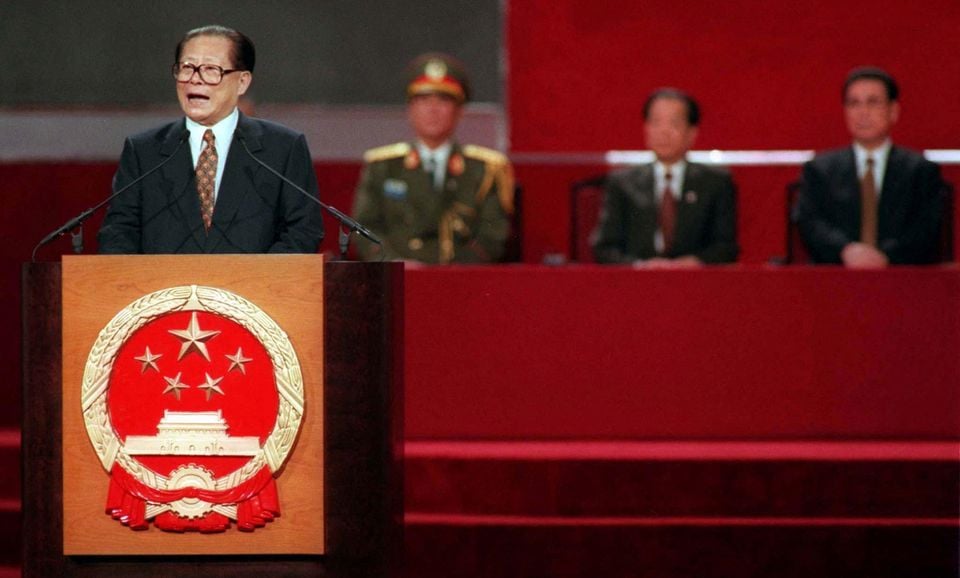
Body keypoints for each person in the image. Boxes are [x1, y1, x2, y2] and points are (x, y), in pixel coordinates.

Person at [98, 25, 323, 254]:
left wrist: (254, 281)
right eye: (187, 67)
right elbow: (118, 232)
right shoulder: (144, 151)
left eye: (210, 69)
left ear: (242, 82)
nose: (195, 79)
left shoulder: (283, 148)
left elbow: (303, 231)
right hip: (166, 289)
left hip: (254, 287)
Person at [352, 53, 514, 263]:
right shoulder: (383, 166)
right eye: (424, 100)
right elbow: (364, 229)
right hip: (396, 281)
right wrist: (394, 264)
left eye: (443, 100)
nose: (433, 109)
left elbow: (492, 237)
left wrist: (446, 276)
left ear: (459, 111)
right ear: (410, 109)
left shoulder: (485, 170)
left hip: (459, 283)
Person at [793, 67, 944, 267]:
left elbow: (926, 230)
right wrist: (847, 250)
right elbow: (811, 223)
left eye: (873, 102)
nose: (863, 112)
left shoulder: (920, 171)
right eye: (854, 103)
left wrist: (885, 256)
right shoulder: (819, 170)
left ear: (893, 111)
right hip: (835, 279)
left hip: (904, 280)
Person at [591, 88, 738, 267]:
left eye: (674, 124)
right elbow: (604, 248)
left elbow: (726, 247)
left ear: (692, 133)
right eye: (656, 122)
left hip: (695, 285)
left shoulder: (715, 182)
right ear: (646, 129)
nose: (664, 132)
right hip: (635, 286)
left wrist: (694, 262)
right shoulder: (621, 183)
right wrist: (639, 266)